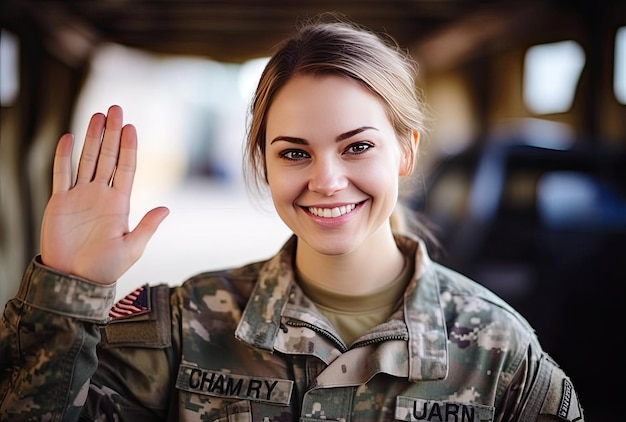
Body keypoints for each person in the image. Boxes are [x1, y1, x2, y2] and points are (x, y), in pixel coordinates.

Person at [0, 14, 584, 422]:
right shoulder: (183, 325)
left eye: (357, 147)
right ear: (264, 162)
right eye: (295, 153)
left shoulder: (501, 350)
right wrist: (67, 292)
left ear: (406, 150)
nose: (326, 180)